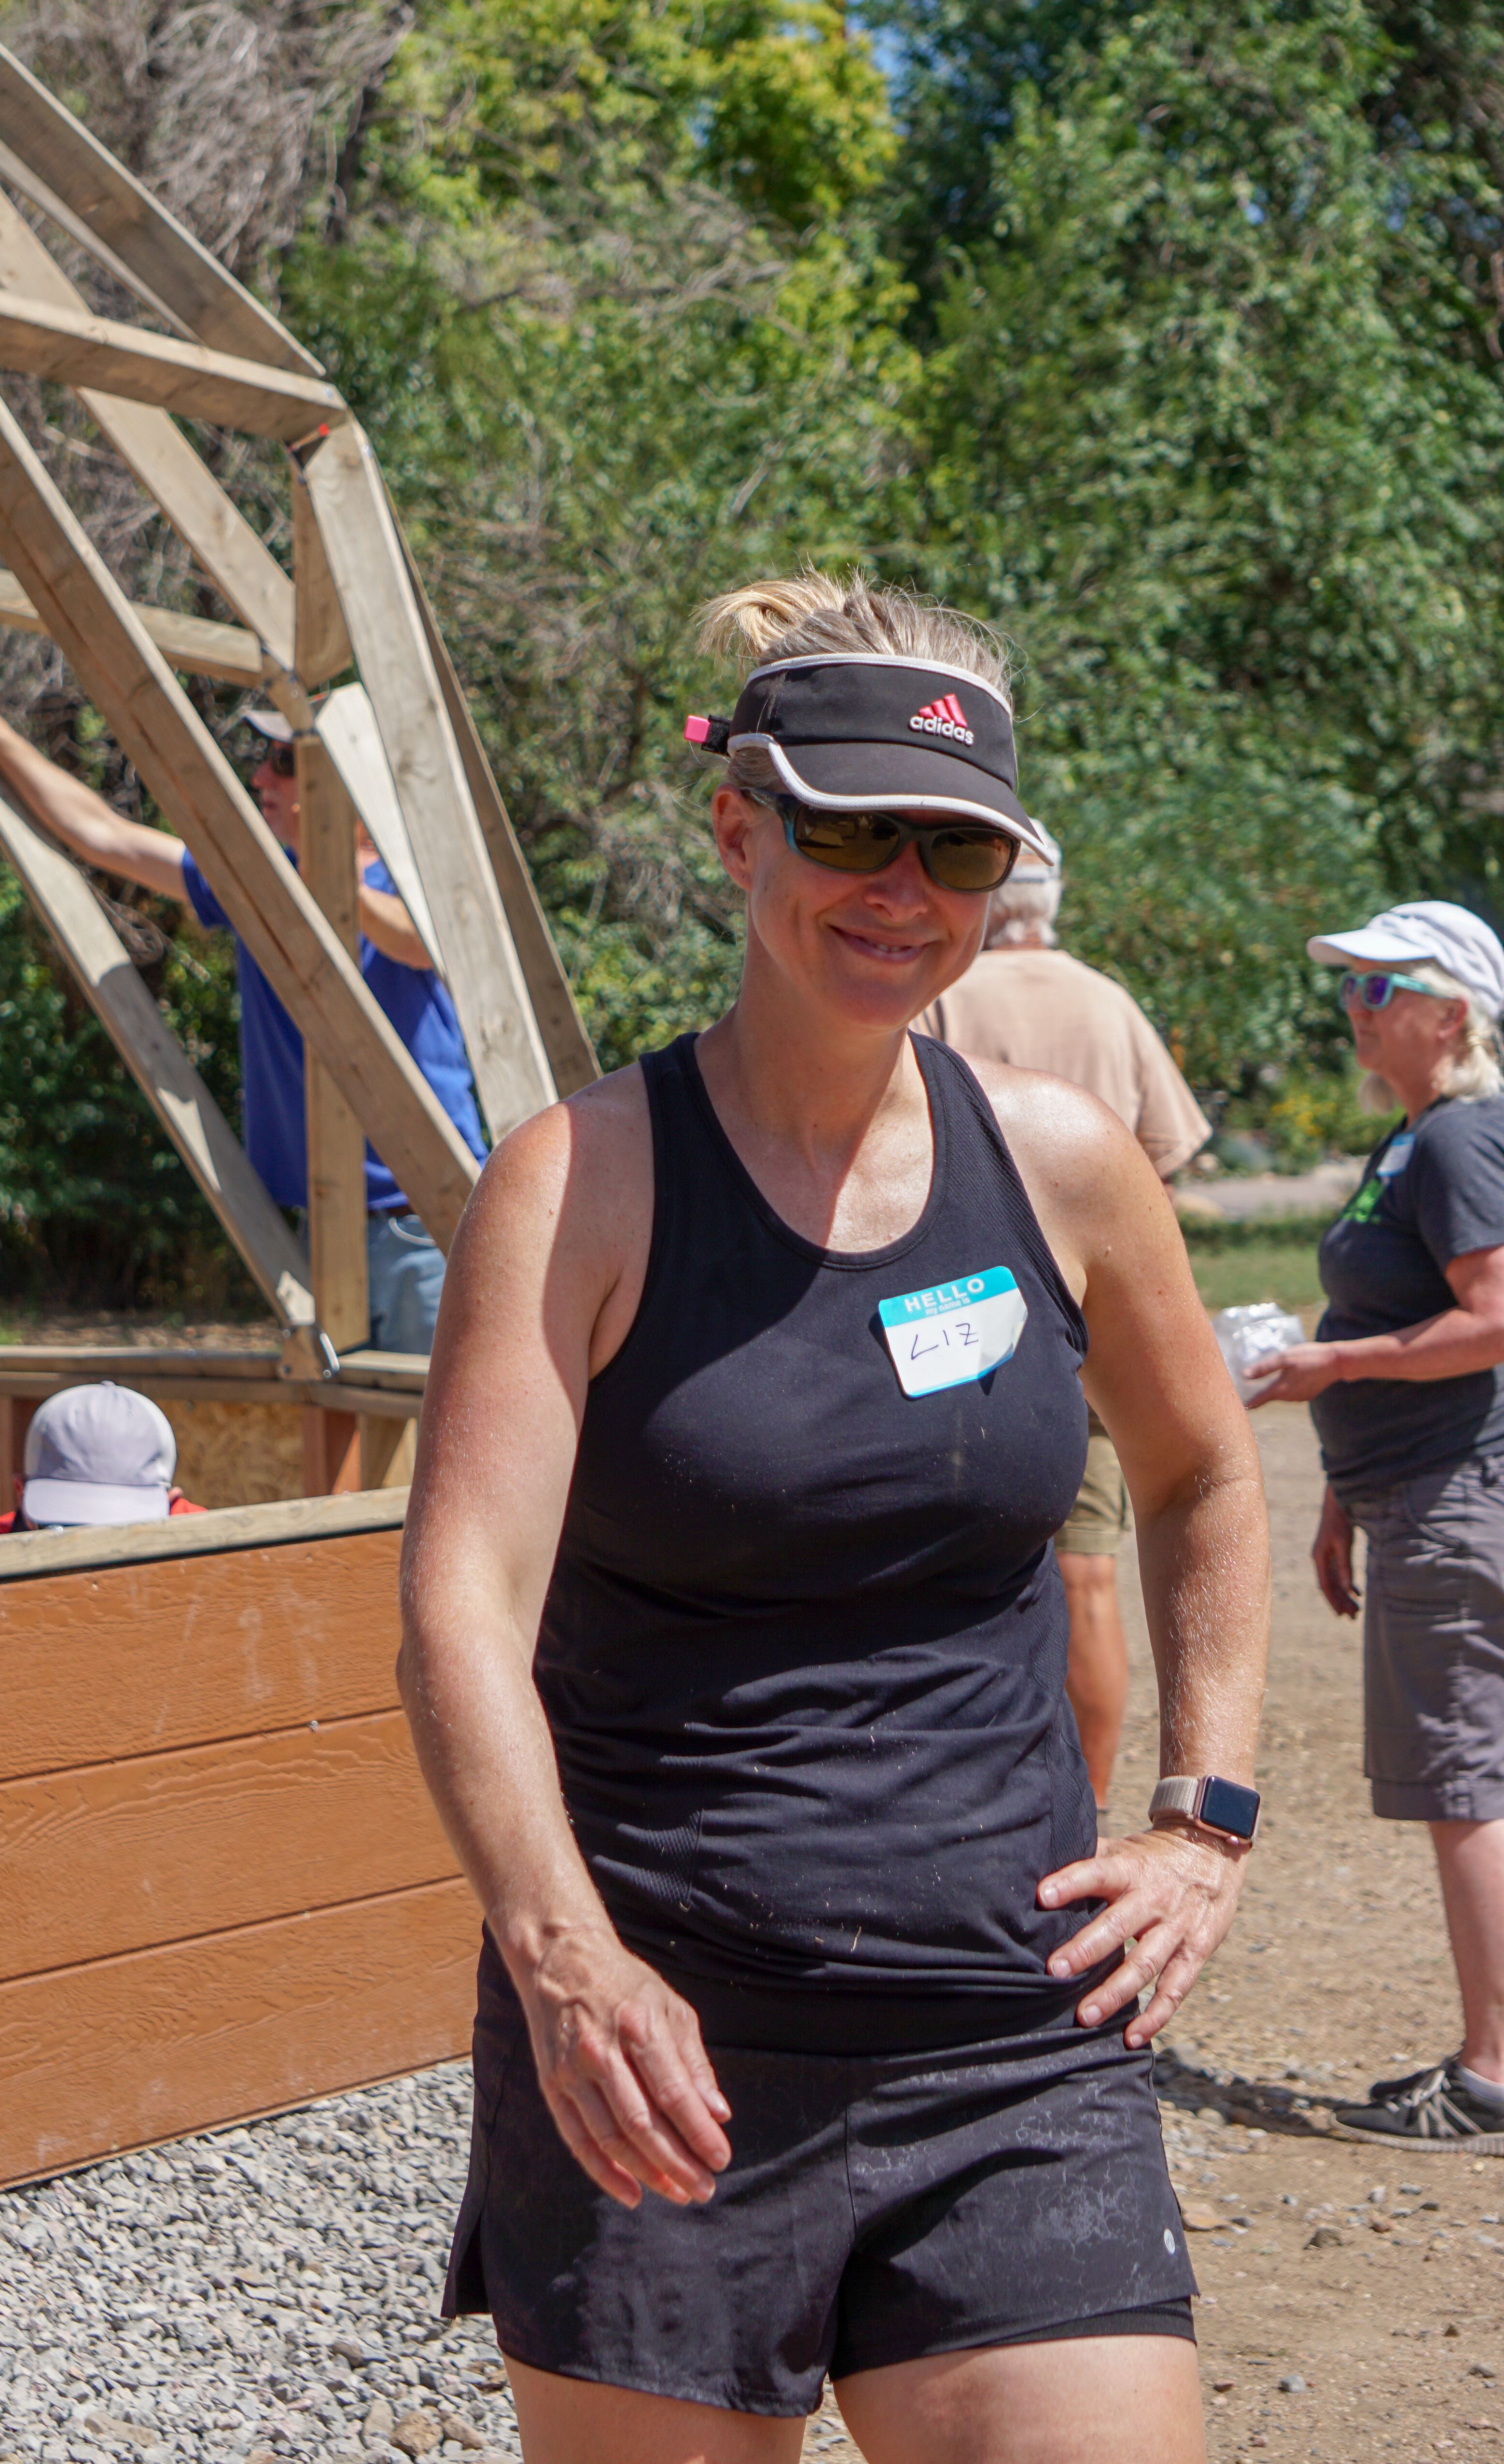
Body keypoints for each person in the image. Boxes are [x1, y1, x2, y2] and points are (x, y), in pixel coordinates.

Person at [401, 571, 1270, 2464]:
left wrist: (1204, 1816)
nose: (901, 889)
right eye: (849, 830)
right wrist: (560, 1956)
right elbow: (462, 1606)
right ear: (739, 827)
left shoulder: (1057, 1167)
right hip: (657, 2060)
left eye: (952, 849)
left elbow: (1203, 1475)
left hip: (1010, 2043)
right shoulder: (585, 1187)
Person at [0, 640, 486, 1353]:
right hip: (326, 1224)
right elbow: (103, 835)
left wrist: (329, 875)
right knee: (341, 1452)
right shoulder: (258, 881)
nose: (261, 776)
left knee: (440, 1448)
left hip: (427, 1227)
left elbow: (423, 946)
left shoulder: (408, 884)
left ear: (347, 783)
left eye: (285, 761)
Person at [1246, 900, 1504, 2149]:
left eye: (1373, 988)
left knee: (1463, 1777)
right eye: (1347, 986)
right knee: (1469, 1772)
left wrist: (1331, 1373)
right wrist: (1341, 1498)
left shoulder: (1457, 1139)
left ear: (1449, 1014)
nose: (1351, 1008)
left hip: (1456, 1497)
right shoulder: (1416, 1141)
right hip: (1416, 1494)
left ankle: (1494, 2071)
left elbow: (1497, 1317)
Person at [917, 839, 1212, 1818]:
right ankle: (1080, 1814)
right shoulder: (1106, 1002)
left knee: (940, 1564)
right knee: (1086, 1578)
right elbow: (1164, 1162)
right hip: (1087, 1324)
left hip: (948, 1321)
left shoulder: (937, 992)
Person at [0, 1378, 201, 1538]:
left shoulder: (212, 1542)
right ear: (22, 1495)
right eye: (65, 1527)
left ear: (171, 1504)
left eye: (124, 1531)